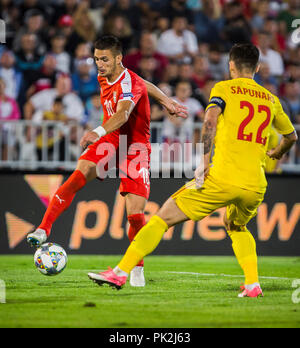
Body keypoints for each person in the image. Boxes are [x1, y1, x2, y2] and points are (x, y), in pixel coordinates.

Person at [89, 43, 298, 298]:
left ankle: (120, 272)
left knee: (161, 218)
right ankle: (253, 285)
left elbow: (210, 120)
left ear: (231, 65)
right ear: (257, 68)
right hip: (255, 184)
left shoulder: (224, 88)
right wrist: (277, 152)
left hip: (221, 177)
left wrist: (204, 160)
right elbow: (291, 136)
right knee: (236, 226)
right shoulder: (272, 100)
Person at [27, 35, 187, 288]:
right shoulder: (107, 75)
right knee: (78, 176)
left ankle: (137, 268)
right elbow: (146, 82)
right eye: (96, 59)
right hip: (110, 141)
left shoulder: (129, 83)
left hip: (134, 147)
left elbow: (123, 114)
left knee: (135, 215)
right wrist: (166, 100)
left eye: (104, 59)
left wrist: (97, 131)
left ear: (118, 59)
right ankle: (43, 229)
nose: (99, 64)